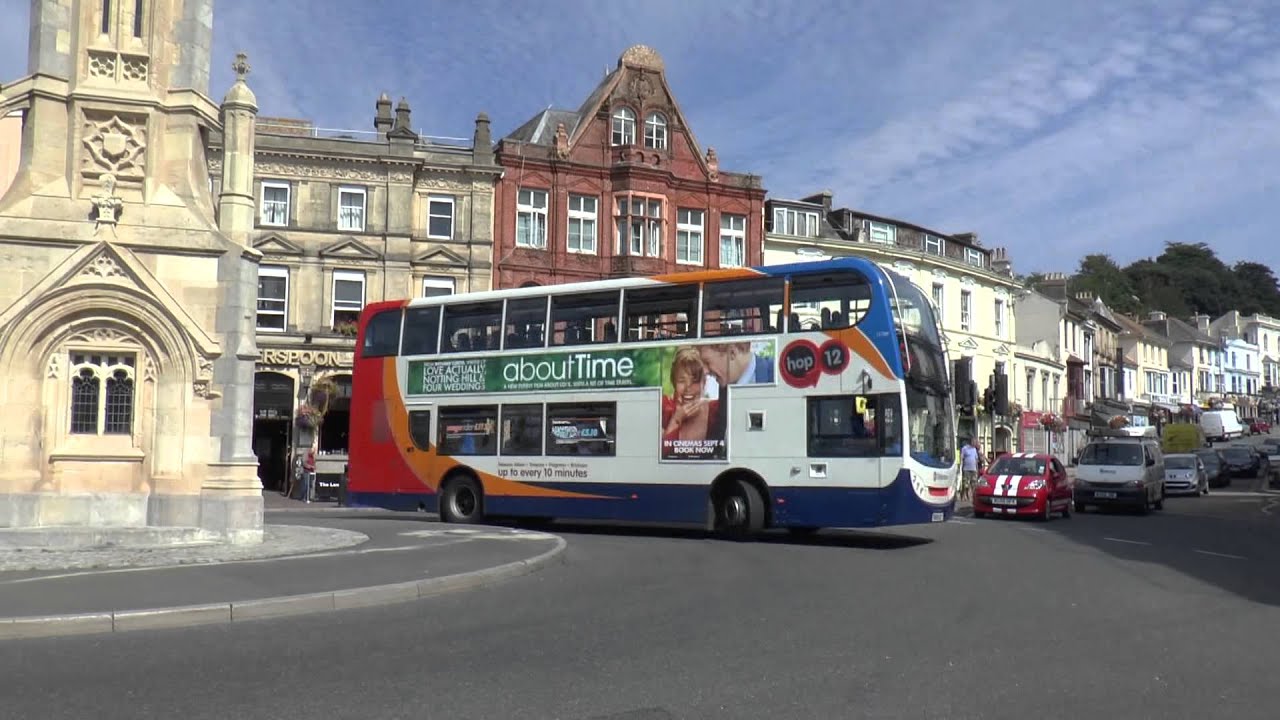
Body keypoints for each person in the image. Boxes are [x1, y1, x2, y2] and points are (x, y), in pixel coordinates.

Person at [662, 347, 721, 450]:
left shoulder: (716, 410)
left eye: (694, 381)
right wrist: (676, 420)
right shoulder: (664, 409)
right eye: (682, 381)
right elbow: (659, 455)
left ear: (704, 383)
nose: (688, 388)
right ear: (674, 382)